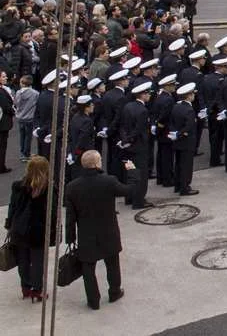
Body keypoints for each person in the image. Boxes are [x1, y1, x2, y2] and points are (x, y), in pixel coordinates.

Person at [64, 150, 134, 310]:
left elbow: (70, 217)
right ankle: (114, 291)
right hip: (108, 231)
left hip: (86, 234)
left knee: (88, 268)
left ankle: (93, 300)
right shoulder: (108, 181)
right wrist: (132, 172)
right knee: (112, 264)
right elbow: (129, 190)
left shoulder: (72, 187)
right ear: (96, 163)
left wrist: (70, 238)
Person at [5, 155, 58, 302]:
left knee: (22, 260)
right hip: (38, 231)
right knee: (38, 261)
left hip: (20, 228)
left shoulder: (18, 186)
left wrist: (9, 224)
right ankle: (37, 289)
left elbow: (13, 207)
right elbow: (52, 212)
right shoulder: (48, 188)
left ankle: (26, 287)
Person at [118, 81, 154, 209]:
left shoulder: (127, 106)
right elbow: (138, 130)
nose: (149, 95)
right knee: (141, 174)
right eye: (147, 93)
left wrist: (124, 140)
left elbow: (122, 126)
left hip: (128, 147)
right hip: (139, 147)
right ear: (142, 95)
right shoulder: (143, 110)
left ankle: (129, 197)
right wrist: (129, 140)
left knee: (130, 172)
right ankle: (138, 201)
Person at [170, 82, 199, 195]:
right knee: (186, 165)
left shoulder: (176, 107)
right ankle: (185, 187)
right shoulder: (189, 110)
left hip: (178, 141)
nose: (194, 96)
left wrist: (175, 133)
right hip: (187, 141)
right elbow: (189, 126)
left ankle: (178, 185)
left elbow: (171, 122)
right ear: (189, 96)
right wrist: (181, 133)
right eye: (192, 94)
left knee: (178, 164)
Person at [15, 74, 37, 164]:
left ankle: (22, 153)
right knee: (28, 137)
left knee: (22, 136)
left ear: (22, 83)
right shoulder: (35, 93)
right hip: (29, 118)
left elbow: (15, 103)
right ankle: (26, 154)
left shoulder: (18, 93)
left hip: (20, 118)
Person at [0, 71, 13, 172]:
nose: (6, 78)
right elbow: (6, 107)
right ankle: (1, 167)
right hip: (3, 123)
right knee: (2, 146)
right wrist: (13, 111)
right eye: (3, 76)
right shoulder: (1, 91)